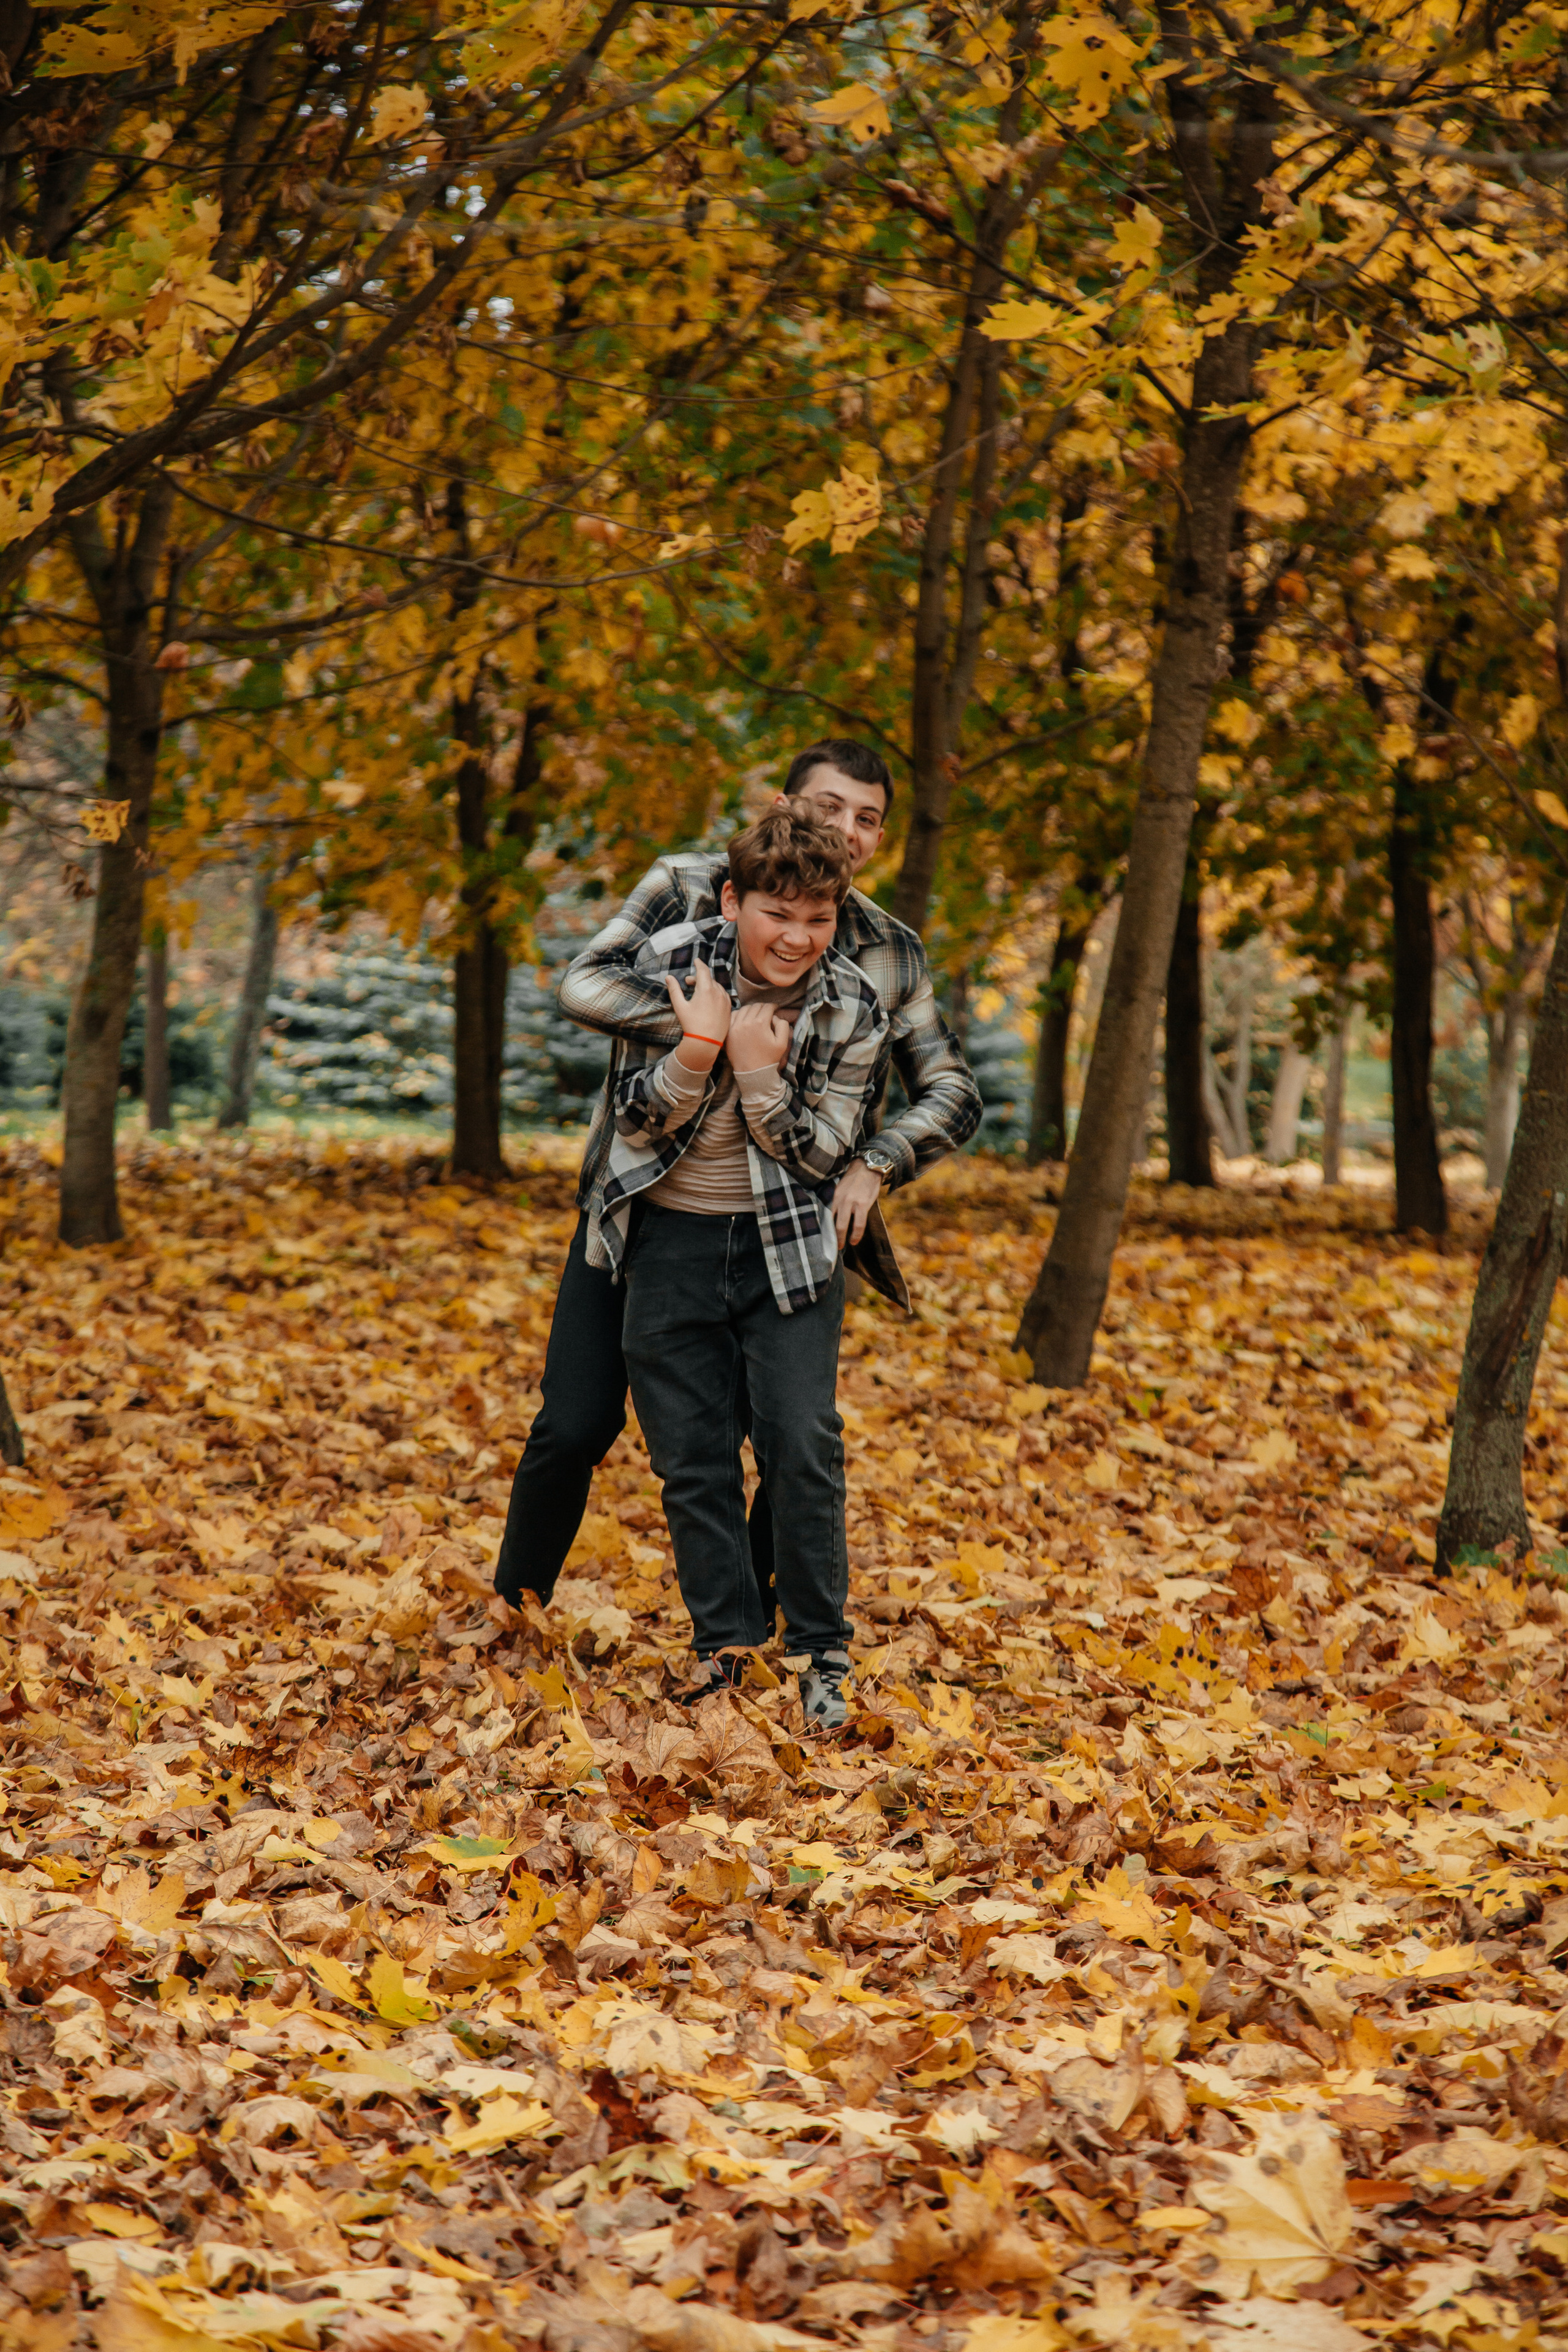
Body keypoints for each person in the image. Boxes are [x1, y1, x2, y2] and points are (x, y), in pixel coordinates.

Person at [493, 737, 981, 1616]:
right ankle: (514, 1603)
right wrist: (712, 1031)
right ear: (784, 805)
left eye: (868, 818)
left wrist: (876, 1164)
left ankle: (742, 1621)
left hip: (789, 1221)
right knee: (574, 1419)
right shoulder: (688, 883)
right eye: (829, 807)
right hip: (645, 1202)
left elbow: (951, 1090)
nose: (849, 828)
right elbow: (583, 985)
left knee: (788, 1436)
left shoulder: (888, 953)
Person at [592, 807, 888, 1728]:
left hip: (790, 1252)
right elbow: (631, 1121)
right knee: (694, 1463)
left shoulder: (853, 1007)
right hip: (670, 1248)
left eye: (820, 918)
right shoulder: (666, 970)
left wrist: (760, 1079)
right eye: (778, 914)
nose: (798, 939)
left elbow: (822, 1153)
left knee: (803, 1445)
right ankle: (722, 1644)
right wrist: (696, 1053)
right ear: (732, 900)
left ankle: (821, 1651)